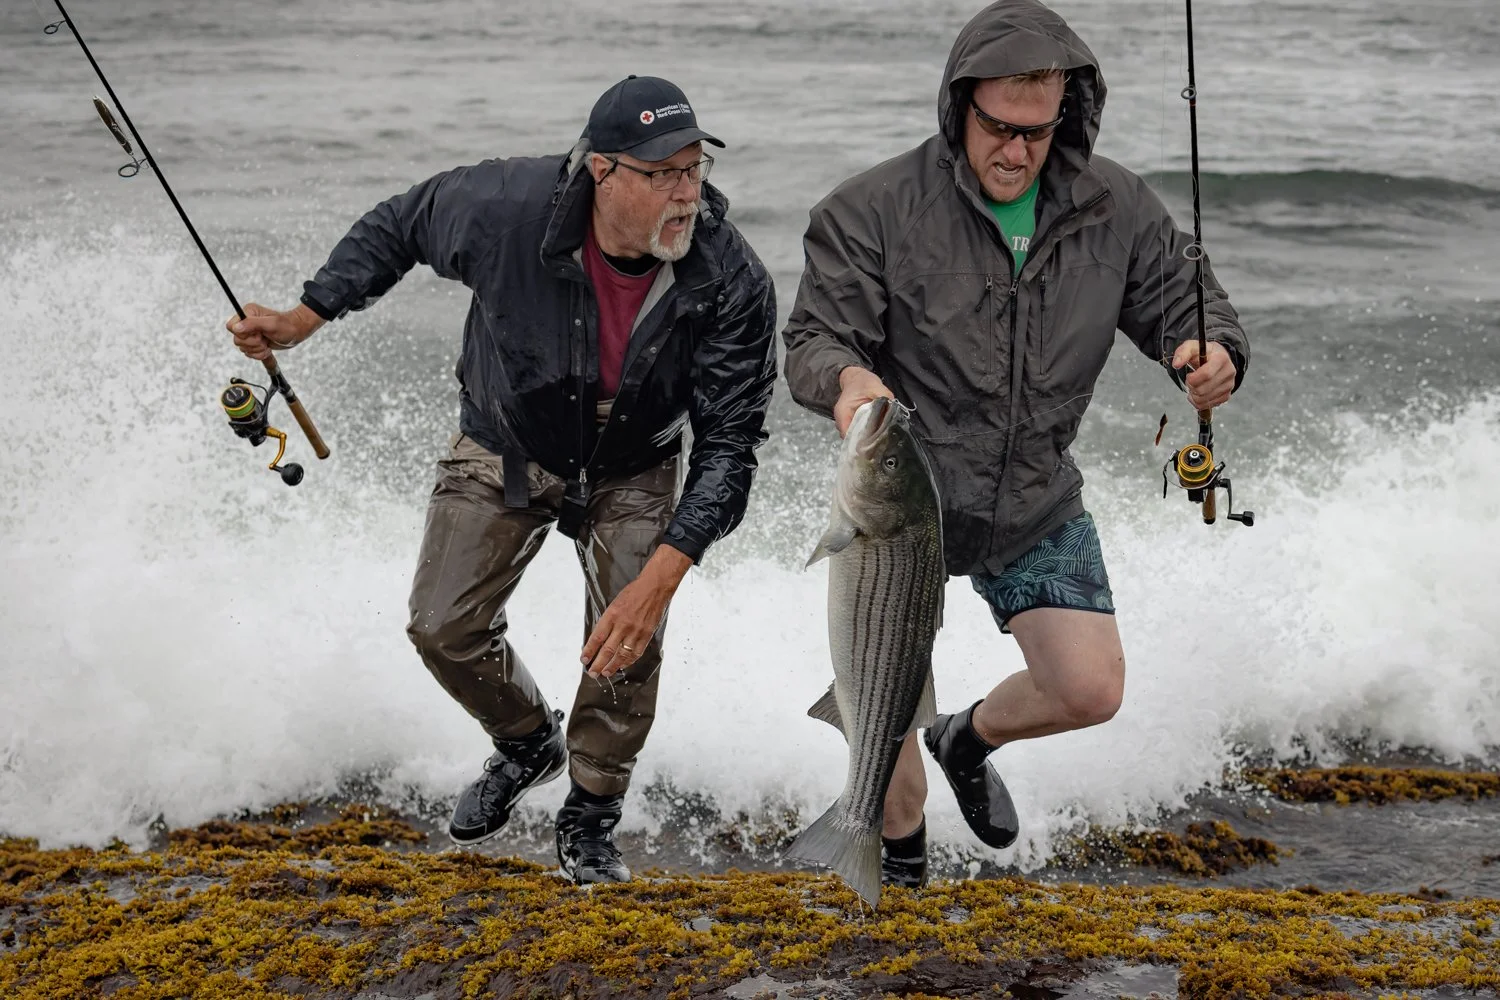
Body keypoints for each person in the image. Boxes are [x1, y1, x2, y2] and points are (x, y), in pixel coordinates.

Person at [228, 76, 777, 885]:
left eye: (694, 169)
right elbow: (402, 223)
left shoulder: (730, 275)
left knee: (628, 641)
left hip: (636, 460)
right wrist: (306, 316)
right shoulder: (507, 208)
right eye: (661, 174)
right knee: (440, 626)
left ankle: (592, 810)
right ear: (601, 171)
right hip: (508, 438)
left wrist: (660, 580)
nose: (685, 193)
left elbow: (732, 444)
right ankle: (526, 741)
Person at [781, 0, 1249, 887]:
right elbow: (812, 340)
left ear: (1065, 116)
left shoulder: (1115, 206)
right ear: (960, 106)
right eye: (999, 127)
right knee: (886, 782)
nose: (1017, 151)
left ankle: (969, 735)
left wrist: (1208, 350)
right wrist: (847, 383)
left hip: (1033, 498)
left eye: (1038, 132)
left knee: (1090, 690)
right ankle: (900, 892)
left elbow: (1187, 299)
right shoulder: (871, 210)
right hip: (901, 514)